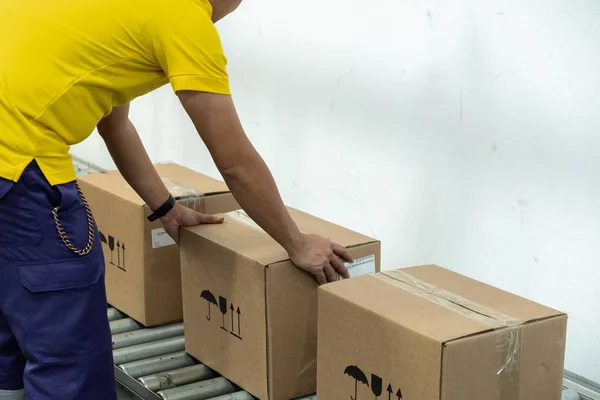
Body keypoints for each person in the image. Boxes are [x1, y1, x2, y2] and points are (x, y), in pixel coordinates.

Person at [0, 0, 353, 398]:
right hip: (17, 168)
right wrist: (298, 244)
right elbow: (235, 162)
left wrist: (165, 207)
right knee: (69, 358)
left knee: (9, 331)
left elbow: (114, 124)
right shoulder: (185, 19)